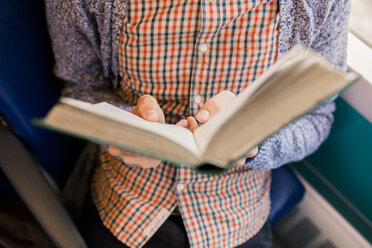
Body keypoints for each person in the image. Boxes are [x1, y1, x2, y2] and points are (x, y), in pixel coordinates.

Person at [45, 0, 351, 247]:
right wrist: (126, 126)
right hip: (125, 203)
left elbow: (315, 117)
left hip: (235, 215)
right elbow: (81, 87)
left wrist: (258, 143)